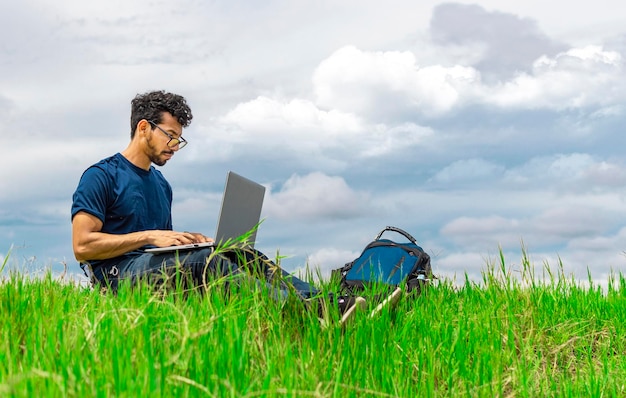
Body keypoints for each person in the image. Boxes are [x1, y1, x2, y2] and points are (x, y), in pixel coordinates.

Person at [71, 90, 362, 317]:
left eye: (179, 140)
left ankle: (330, 303)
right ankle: (303, 313)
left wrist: (187, 242)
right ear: (144, 127)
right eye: (170, 136)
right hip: (115, 277)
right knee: (203, 261)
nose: (174, 146)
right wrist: (149, 237)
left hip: (148, 269)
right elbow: (82, 247)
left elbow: (163, 252)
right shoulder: (101, 175)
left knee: (239, 253)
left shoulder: (161, 185)